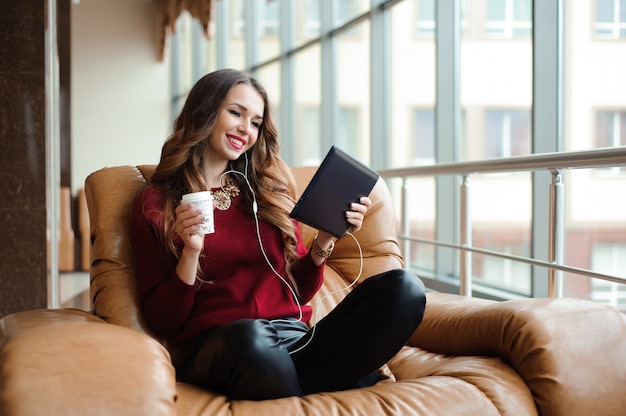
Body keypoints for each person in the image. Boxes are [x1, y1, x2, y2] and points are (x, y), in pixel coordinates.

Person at [130, 68, 426, 401]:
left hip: (295, 340)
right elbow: (164, 321)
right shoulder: (157, 203)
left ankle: (298, 387)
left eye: (256, 122)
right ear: (205, 111)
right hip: (223, 345)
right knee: (250, 337)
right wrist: (190, 252)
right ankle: (336, 381)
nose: (246, 128)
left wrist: (327, 238)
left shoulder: (269, 193)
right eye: (236, 113)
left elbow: (297, 294)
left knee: (404, 289)